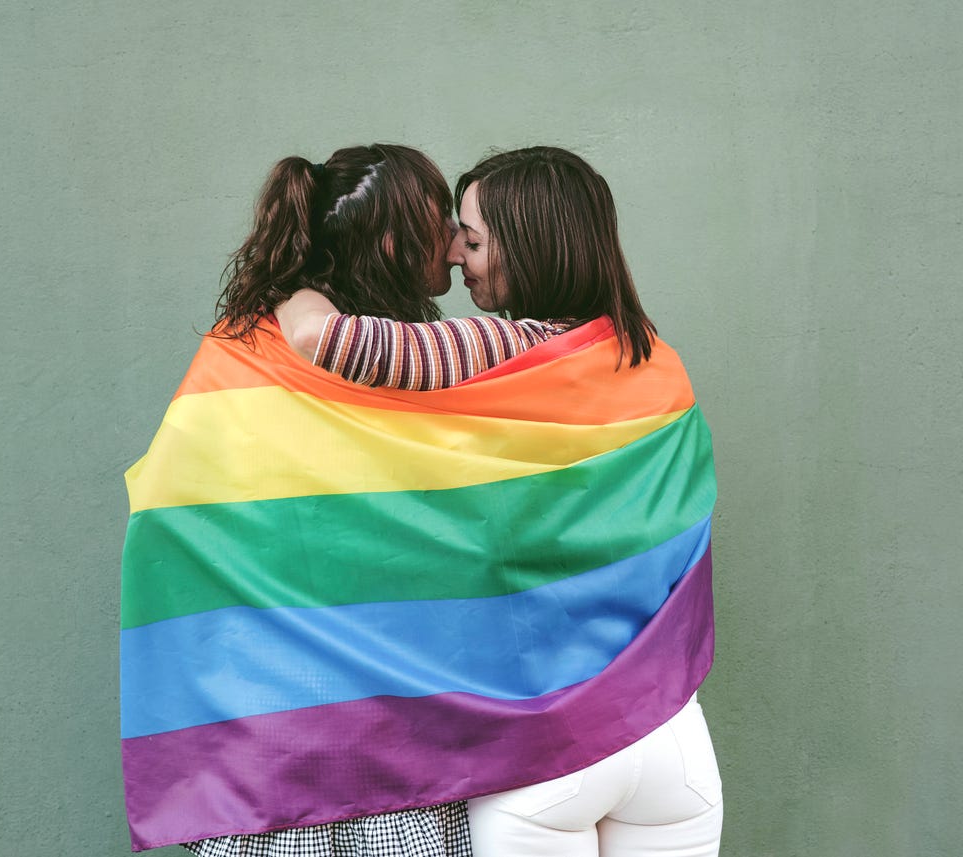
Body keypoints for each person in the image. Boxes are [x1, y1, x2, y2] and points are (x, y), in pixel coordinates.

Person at [275, 147, 724, 856]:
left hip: (552, 750)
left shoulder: (500, 350)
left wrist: (296, 281)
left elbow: (316, 337)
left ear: (528, 249)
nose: (456, 255)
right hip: (673, 738)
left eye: (474, 240)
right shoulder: (658, 366)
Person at [175, 142, 471, 857]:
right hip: (357, 724)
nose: (459, 249)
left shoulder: (264, 339)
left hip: (290, 717)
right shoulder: (338, 353)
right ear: (397, 240)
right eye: (443, 224)